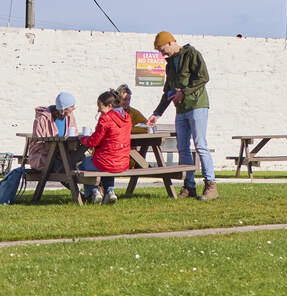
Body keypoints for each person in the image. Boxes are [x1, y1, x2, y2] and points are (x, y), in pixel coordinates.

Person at [147, 30, 217, 199]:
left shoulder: (192, 54)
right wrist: (157, 113)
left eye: (162, 49)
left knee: (200, 144)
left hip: (197, 105)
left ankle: (211, 185)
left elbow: (203, 77)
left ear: (171, 42)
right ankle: (189, 186)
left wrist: (183, 92)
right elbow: (168, 91)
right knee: (183, 148)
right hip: (181, 109)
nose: (161, 53)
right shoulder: (169, 64)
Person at [0, 91, 80, 205]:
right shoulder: (42, 119)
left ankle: (92, 192)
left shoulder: (70, 117)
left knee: (81, 162)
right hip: (43, 156)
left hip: (63, 155)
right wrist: (56, 149)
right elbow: (39, 143)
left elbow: (74, 133)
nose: (74, 108)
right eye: (71, 106)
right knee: (63, 168)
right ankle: (80, 196)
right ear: (63, 108)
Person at [76, 89, 133, 204]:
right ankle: (110, 192)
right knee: (108, 164)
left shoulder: (105, 119)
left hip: (106, 161)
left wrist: (82, 138)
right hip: (123, 162)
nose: (98, 110)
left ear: (109, 106)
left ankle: (93, 192)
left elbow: (94, 142)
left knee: (82, 165)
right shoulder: (127, 117)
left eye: (100, 107)